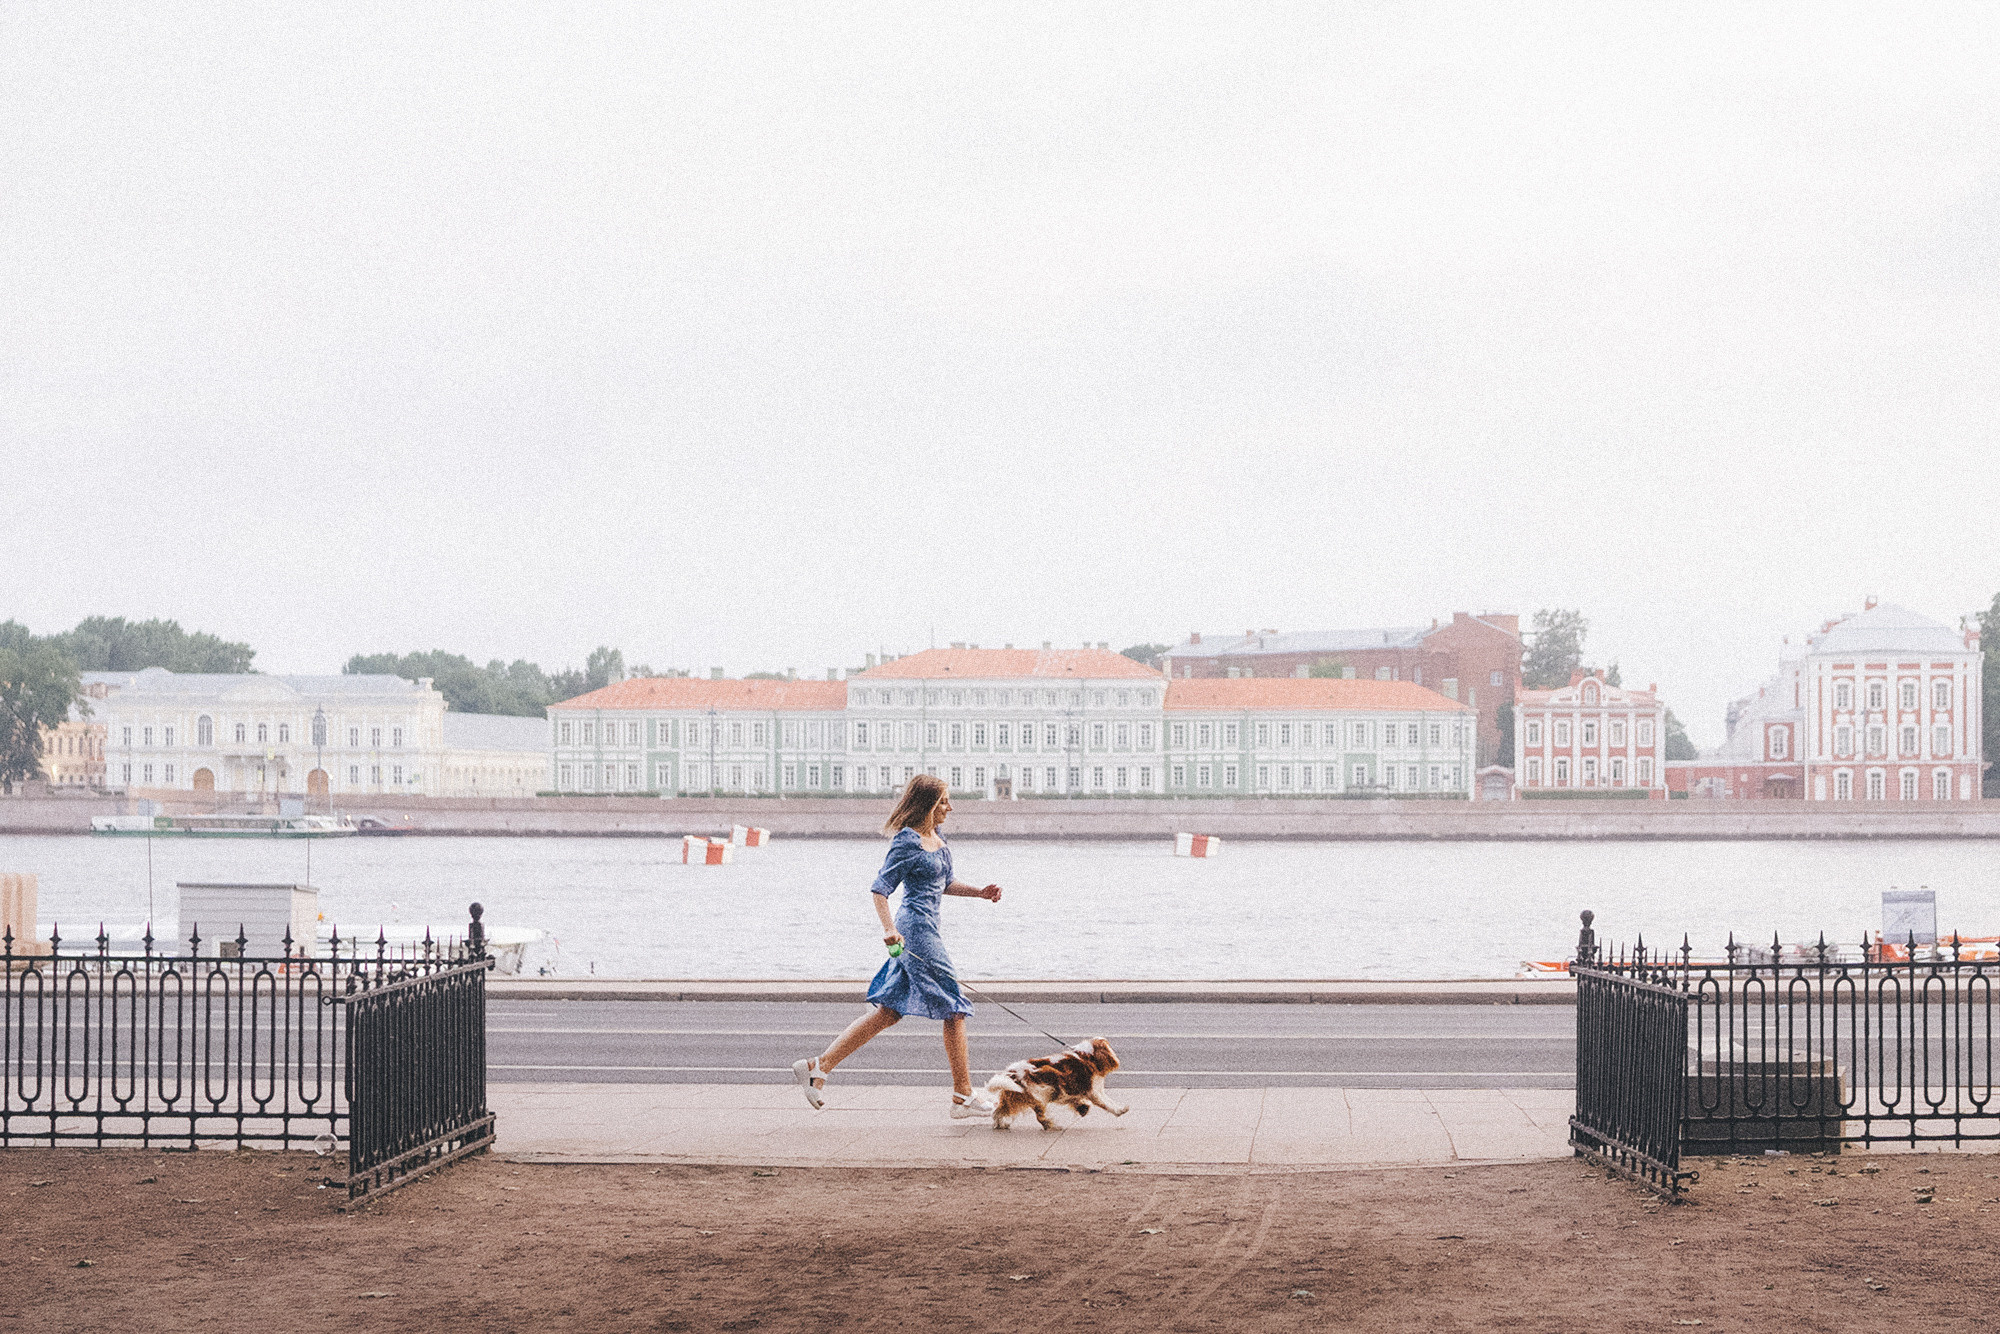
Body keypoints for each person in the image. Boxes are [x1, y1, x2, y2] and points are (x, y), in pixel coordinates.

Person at [794, 773, 1004, 1118]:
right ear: (927, 805)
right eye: (943, 802)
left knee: (889, 1012)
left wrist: (979, 892)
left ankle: (819, 1066)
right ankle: (963, 1096)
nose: (949, 808)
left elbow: (945, 883)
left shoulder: (936, 839)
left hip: (928, 928)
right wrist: (889, 929)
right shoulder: (907, 842)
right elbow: (880, 888)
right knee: (953, 1007)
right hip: (914, 932)